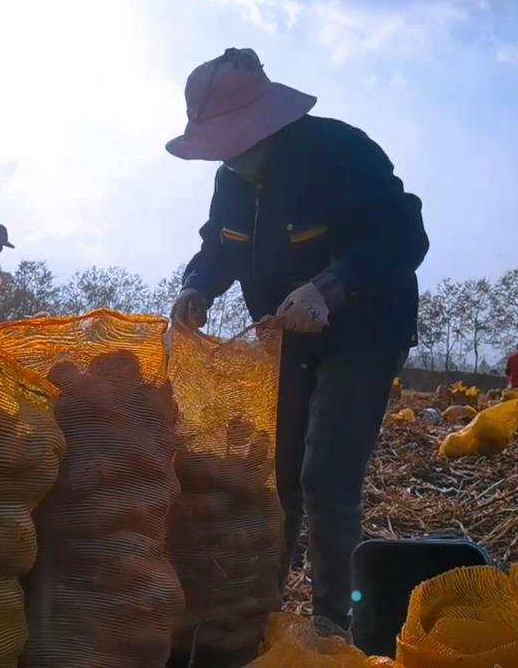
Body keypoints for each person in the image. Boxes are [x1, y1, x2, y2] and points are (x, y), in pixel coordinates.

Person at [166, 48, 428, 634]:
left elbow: (402, 233)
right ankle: (260, 606)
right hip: (285, 334)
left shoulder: (340, 151)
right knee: (276, 475)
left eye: (234, 143)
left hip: (363, 328)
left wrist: (329, 286)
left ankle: (337, 619)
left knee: (325, 476)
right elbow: (222, 244)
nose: (229, 156)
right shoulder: (232, 178)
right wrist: (197, 287)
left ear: (266, 124)